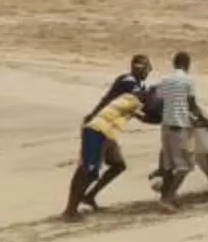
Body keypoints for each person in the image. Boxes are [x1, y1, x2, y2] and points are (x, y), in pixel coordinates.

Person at [63, 57, 155, 220]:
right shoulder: (128, 81)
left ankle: (89, 196)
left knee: (117, 165)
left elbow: (139, 110)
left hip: (109, 129)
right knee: (88, 169)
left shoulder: (137, 85)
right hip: (98, 126)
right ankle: (70, 209)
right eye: (147, 68)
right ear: (139, 68)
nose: (149, 72)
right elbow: (138, 99)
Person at [149, 50, 208, 209]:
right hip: (182, 127)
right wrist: (205, 122)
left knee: (169, 166)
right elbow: (192, 105)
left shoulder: (164, 80)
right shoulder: (188, 81)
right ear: (187, 64)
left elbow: (158, 104)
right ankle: (168, 197)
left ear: (174, 63)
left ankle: (167, 197)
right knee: (186, 165)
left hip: (166, 127)